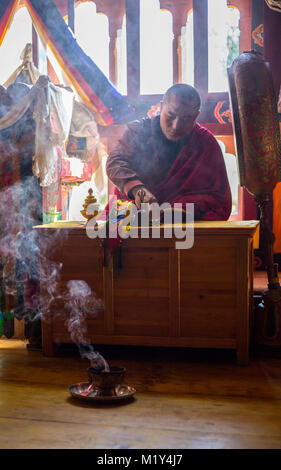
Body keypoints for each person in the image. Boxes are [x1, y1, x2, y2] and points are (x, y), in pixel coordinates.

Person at [106, 84, 232, 221]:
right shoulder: (139, 131)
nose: (176, 126)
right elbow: (115, 162)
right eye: (171, 116)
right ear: (161, 107)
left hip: (184, 225)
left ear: (196, 116)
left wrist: (175, 210)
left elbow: (218, 200)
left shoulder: (205, 143)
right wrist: (137, 190)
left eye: (185, 119)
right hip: (135, 216)